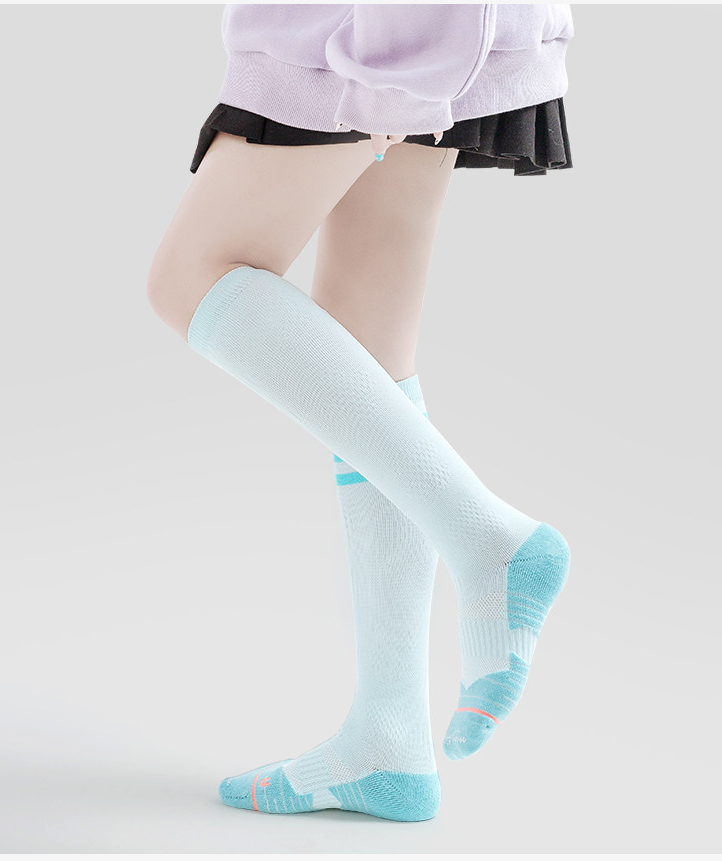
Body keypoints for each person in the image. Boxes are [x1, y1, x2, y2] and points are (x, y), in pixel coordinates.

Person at [146, 3, 574, 822]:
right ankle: (389, 738)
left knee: (189, 277)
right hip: (405, 35)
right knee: (366, 348)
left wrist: (393, 75)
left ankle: (488, 539)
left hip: (373, 33)